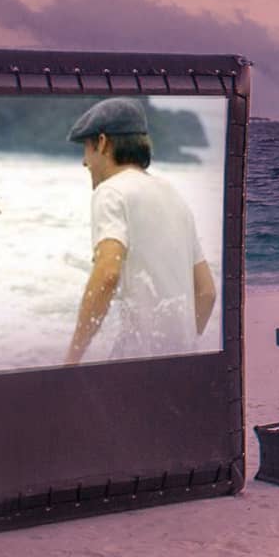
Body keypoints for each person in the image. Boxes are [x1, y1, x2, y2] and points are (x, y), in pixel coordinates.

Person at [64, 99, 217, 365]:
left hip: (135, 365)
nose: (84, 162)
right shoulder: (173, 196)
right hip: (181, 363)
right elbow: (206, 292)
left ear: (102, 143)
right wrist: (182, 343)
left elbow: (107, 275)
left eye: (86, 149)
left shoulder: (111, 192)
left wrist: (71, 359)